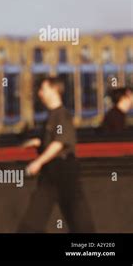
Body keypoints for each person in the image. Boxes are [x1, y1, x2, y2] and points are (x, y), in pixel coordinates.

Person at [18, 77, 95, 233]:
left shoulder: (62, 114)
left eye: (43, 89)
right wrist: (38, 142)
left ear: (54, 90)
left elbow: (59, 143)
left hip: (64, 171)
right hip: (52, 172)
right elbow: (53, 140)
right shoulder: (52, 116)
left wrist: (38, 162)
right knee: (35, 219)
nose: (40, 93)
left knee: (79, 220)